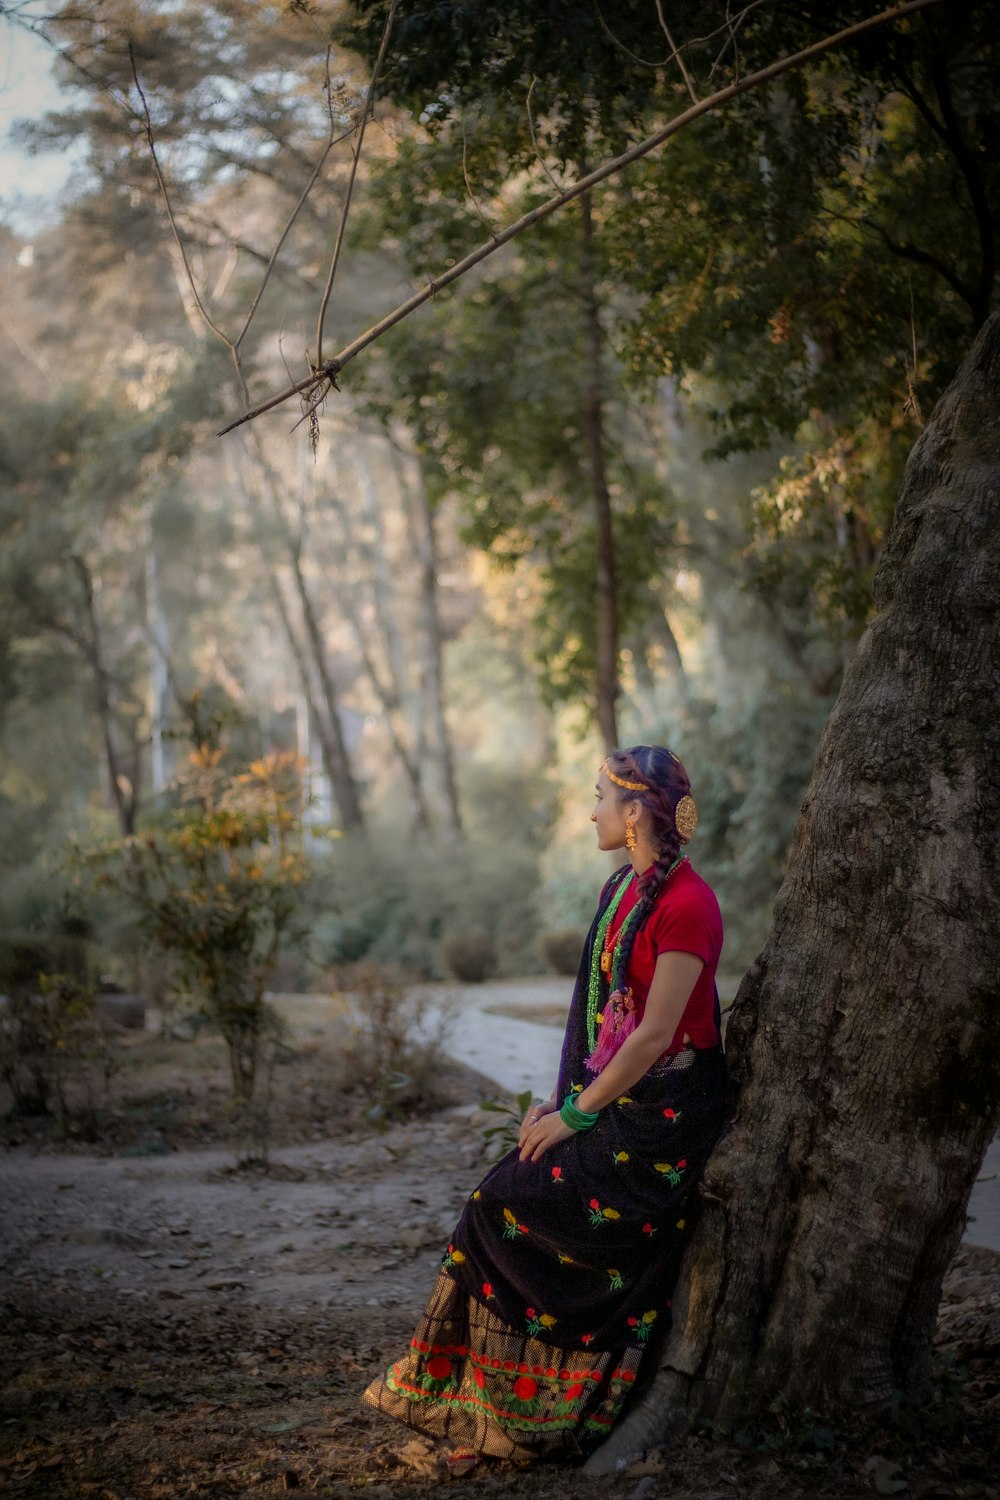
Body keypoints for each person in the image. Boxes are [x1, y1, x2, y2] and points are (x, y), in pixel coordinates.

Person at [363, 745, 726, 1462]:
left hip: (664, 1123)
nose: (590, 810)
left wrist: (576, 1117)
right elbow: (596, 1020)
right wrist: (556, 1106)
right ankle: (491, 1411)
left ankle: (545, 1420)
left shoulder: (689, 904)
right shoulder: (620, 890)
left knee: (505, 1203)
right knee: (495, 1199)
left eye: (599, 797)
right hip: (614, 1102)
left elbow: (655, 1035)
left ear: (633, 812)